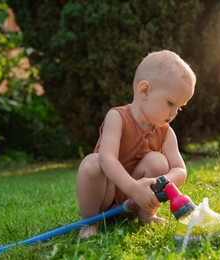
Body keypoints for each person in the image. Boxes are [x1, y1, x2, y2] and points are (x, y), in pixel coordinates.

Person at [76, 50, 196, 238]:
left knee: (158, 161)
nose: (174, 113)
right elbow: (107, 160)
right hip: (105, 197)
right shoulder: (117, 117)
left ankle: (145, 215)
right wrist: (133, 187)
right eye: (170, 103)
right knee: (92, 163)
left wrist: (159, 183)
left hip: (137, 201)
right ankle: (91, 222)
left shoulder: (165, 131)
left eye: (180, 107)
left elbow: (180, 169)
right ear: (144, 91)